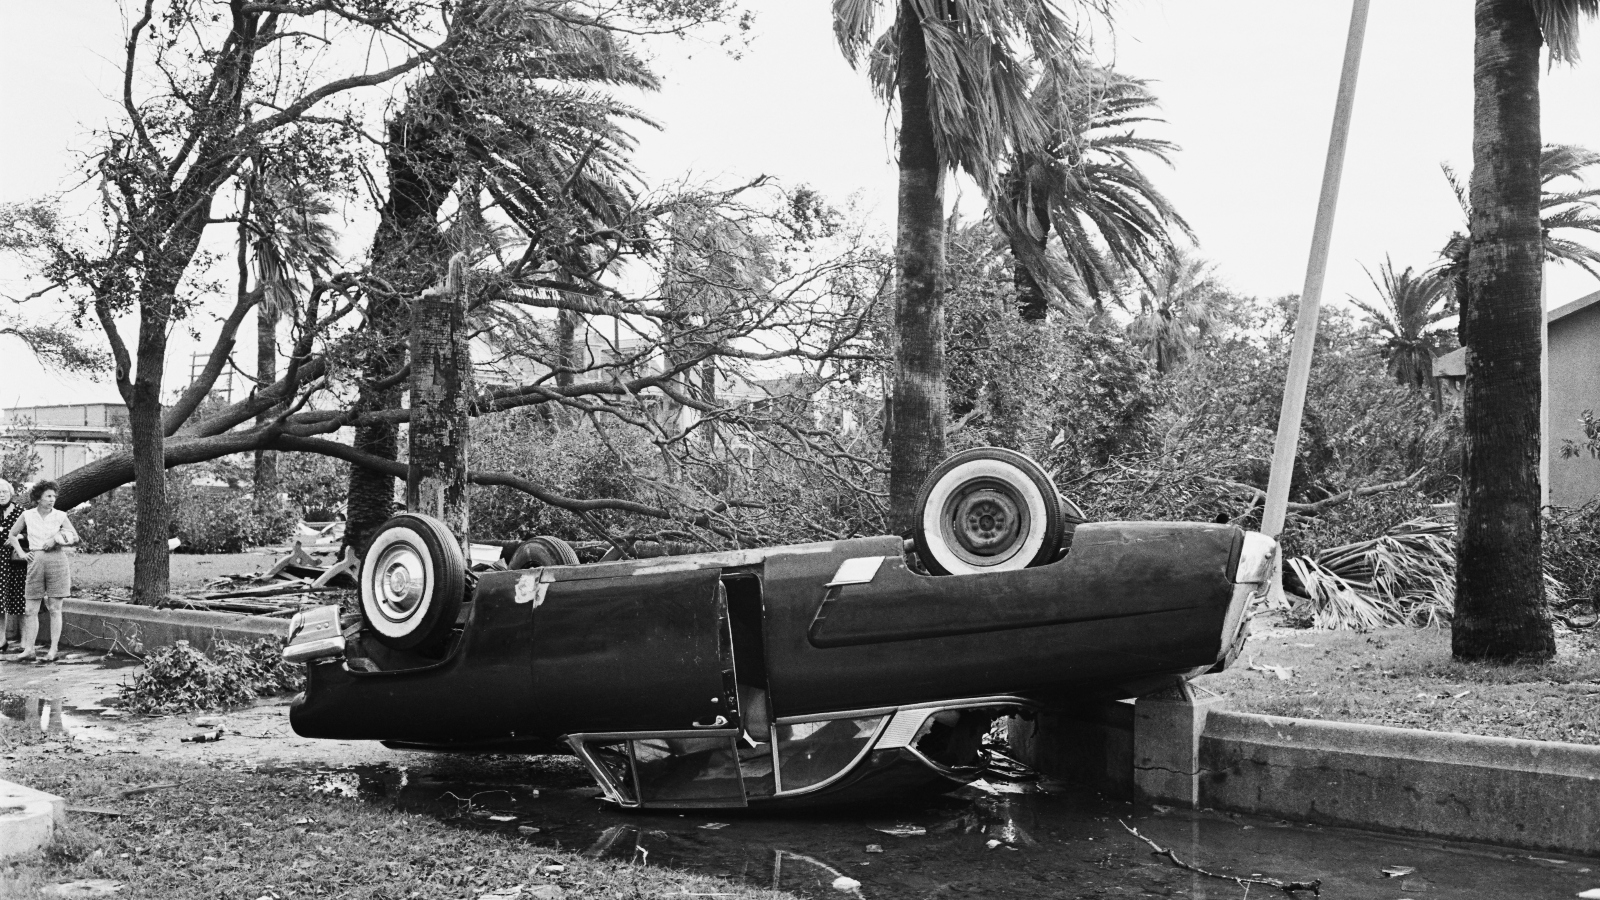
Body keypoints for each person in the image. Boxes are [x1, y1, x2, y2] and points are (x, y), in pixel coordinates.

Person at [7, 480, 79, 662]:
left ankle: (53, 650)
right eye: (48, 496)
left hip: (57, 560)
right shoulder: (27, 515)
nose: (52, 499)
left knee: (55, 608)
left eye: (54, 496)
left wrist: (56, 539)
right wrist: (22, 554)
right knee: (30, 608)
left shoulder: (60, 515)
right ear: (38, 498)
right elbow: (12, 535)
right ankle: (29, 650)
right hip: (35, 560)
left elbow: (75, 537)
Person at [0, 481, 24, 652]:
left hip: (16, 561)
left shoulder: (21, 511)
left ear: (10, 493)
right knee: (0, 603)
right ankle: (1, 640)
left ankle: (25, 642)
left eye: (4, 491)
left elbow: (33, 532)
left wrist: (17, 537)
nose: (1, 495)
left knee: (20, 601)